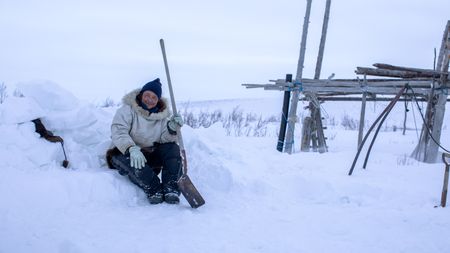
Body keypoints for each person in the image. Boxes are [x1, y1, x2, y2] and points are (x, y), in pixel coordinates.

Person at [106, 78, 184, 204]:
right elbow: (118, 131)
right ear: (141, 94)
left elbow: (165, 140)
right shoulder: (127, 110)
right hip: (124, 152)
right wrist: (130, 148)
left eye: (154, 97)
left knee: (172, 148)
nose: (150, 99)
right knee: (129, 160)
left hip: (149, 155)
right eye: (147, 95)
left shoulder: (163, 117)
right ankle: (154, 189)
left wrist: (171, 129)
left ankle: (171, 188)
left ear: (158, 100)